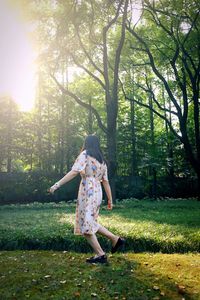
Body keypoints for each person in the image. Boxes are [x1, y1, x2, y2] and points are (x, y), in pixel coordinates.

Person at [49, 134, 125, 264]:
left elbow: (73, 172)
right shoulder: (102, 160)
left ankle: (100, 254)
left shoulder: (85, 154)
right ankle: (115, 239)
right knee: (90, 222)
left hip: (88, 191)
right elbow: (105, 182)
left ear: (86, 143)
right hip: (97, 191)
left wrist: (57, 184)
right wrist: (110, 200)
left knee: (85, 226)